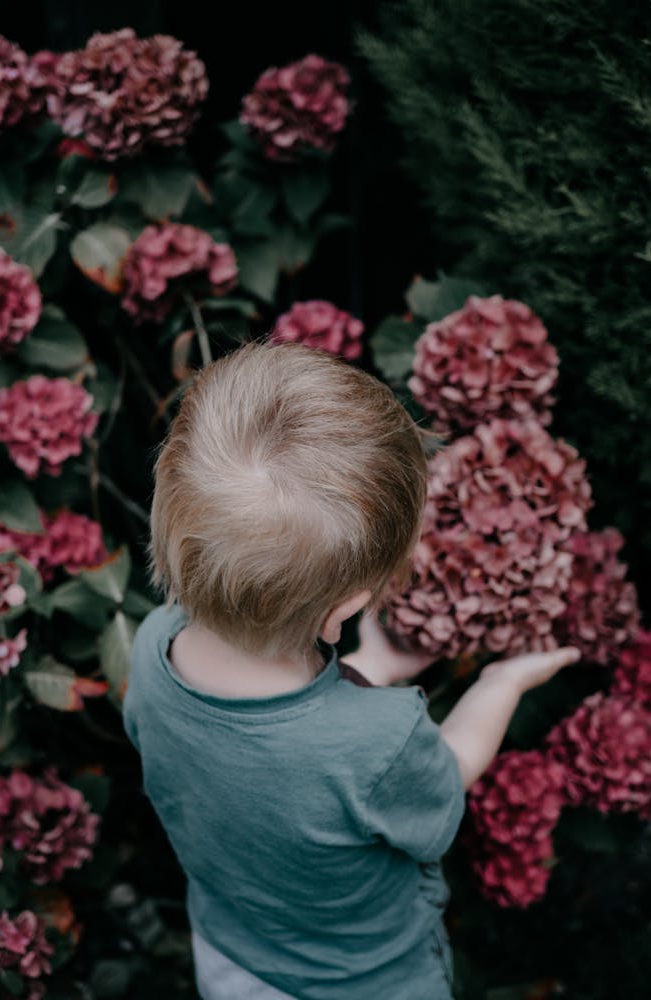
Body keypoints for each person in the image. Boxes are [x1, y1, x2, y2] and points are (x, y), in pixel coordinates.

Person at [123, 341, 580, 1000]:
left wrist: (382, 663)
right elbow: (445, 784)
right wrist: (498, 683)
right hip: (371, 984)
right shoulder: (380, 743)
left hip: (233, 958)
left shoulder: (153, 648)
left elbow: (272, 734)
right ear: (342, 613)